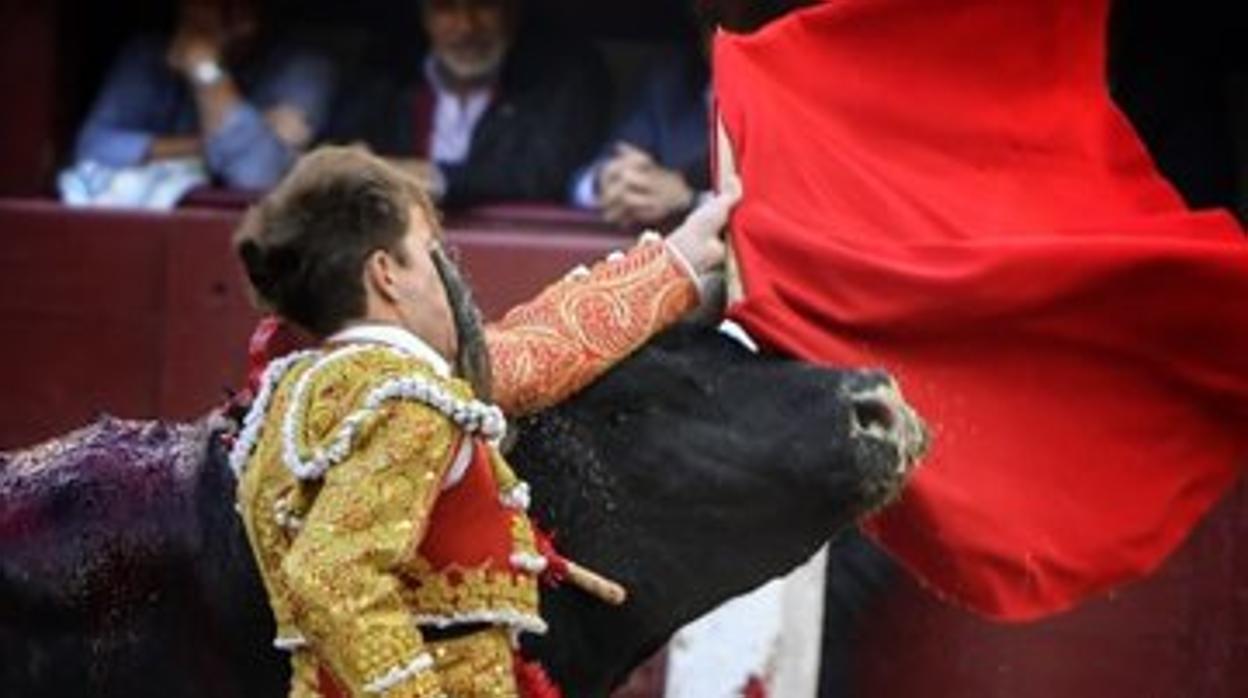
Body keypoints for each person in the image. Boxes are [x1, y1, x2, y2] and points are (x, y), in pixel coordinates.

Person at [229, 145, 737, 697]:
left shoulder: (294, 396)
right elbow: (331, 576)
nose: (446, 277)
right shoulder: (409, 401)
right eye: (428, 254)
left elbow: (522, 356)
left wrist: (679, 257)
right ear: (386, 275)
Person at [327, 0, 610, 207]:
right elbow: (337, 153)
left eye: (483, 6)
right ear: (424, 16)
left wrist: (438, 179)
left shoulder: (561, 72)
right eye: (445, 7)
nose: (466, 26)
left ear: (511, 13)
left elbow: (544, 171)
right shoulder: (385, 72)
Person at [72, 0, 334, 190]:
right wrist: (254, 130)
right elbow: (93, 148)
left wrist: (204, 69)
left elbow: (255, 174)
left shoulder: (303, 65)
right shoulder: (149, 55)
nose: (189, 12)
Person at [570, 44, 711, 228]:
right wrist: (606, 180)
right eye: (710, 21)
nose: (722, 30)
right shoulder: (672, 78)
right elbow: (616, 156)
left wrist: (691, 199)